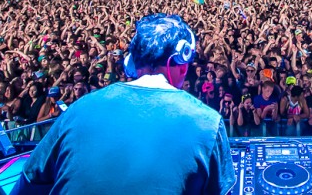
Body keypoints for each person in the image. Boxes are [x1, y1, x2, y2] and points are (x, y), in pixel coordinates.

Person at [12, 13, 235, 195]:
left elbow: (28, 184)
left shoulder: (79, 109)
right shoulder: (207, 122)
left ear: (131, 62)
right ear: (183, 63)